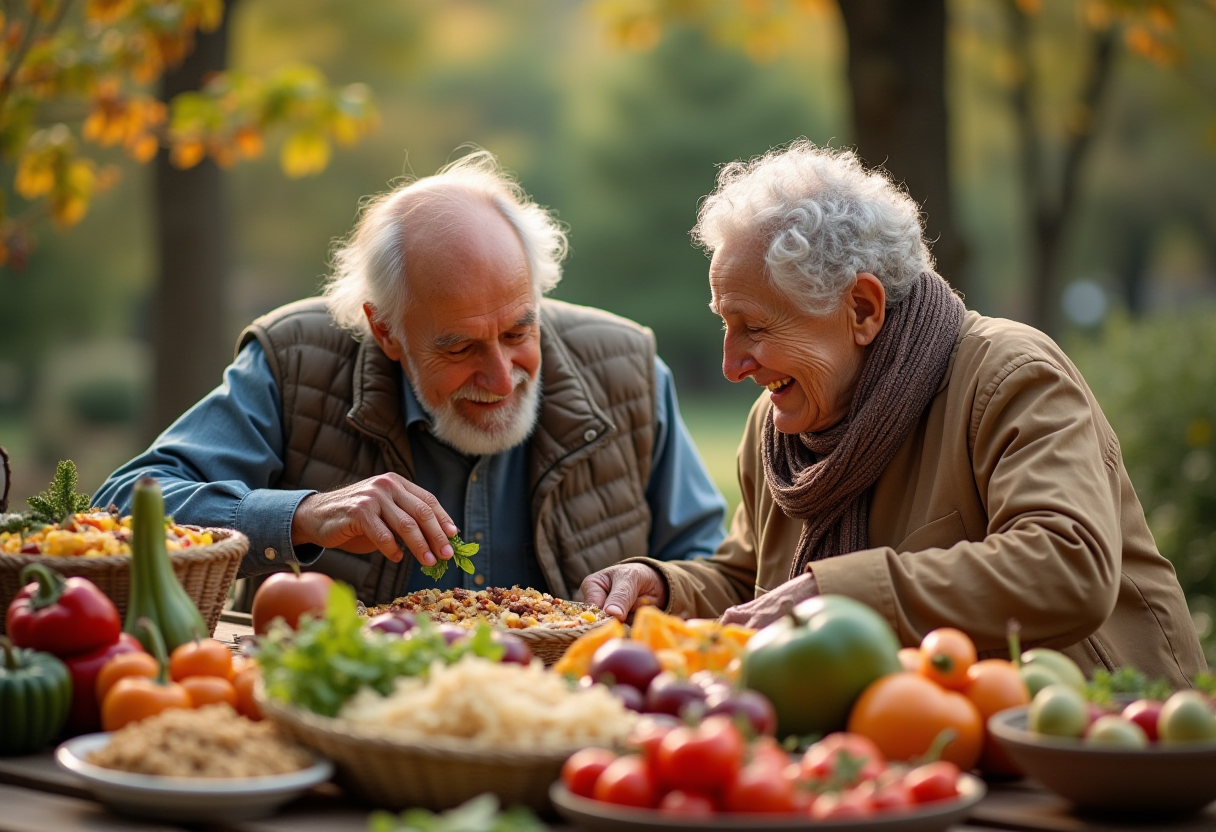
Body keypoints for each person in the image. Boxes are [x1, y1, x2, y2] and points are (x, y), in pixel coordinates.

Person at [582, 141, 1205, 686]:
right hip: (923, 751)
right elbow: (755, 585)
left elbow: (1067, 564)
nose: (732, 364)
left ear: (862, 308)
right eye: (725, 324)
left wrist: (842, 595)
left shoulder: (1010, 375)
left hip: (1101, 743)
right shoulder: (779, 423)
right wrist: (665, 587)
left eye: (755, 328)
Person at [95, 150, 727, 605]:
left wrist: (662, 583)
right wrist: (305, 515)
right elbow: (122, 506)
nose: (502, 377)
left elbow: (712, 563)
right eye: (459, 347)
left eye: (517, 332)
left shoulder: (630, 366)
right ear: (386, 330)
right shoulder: (294, 359)